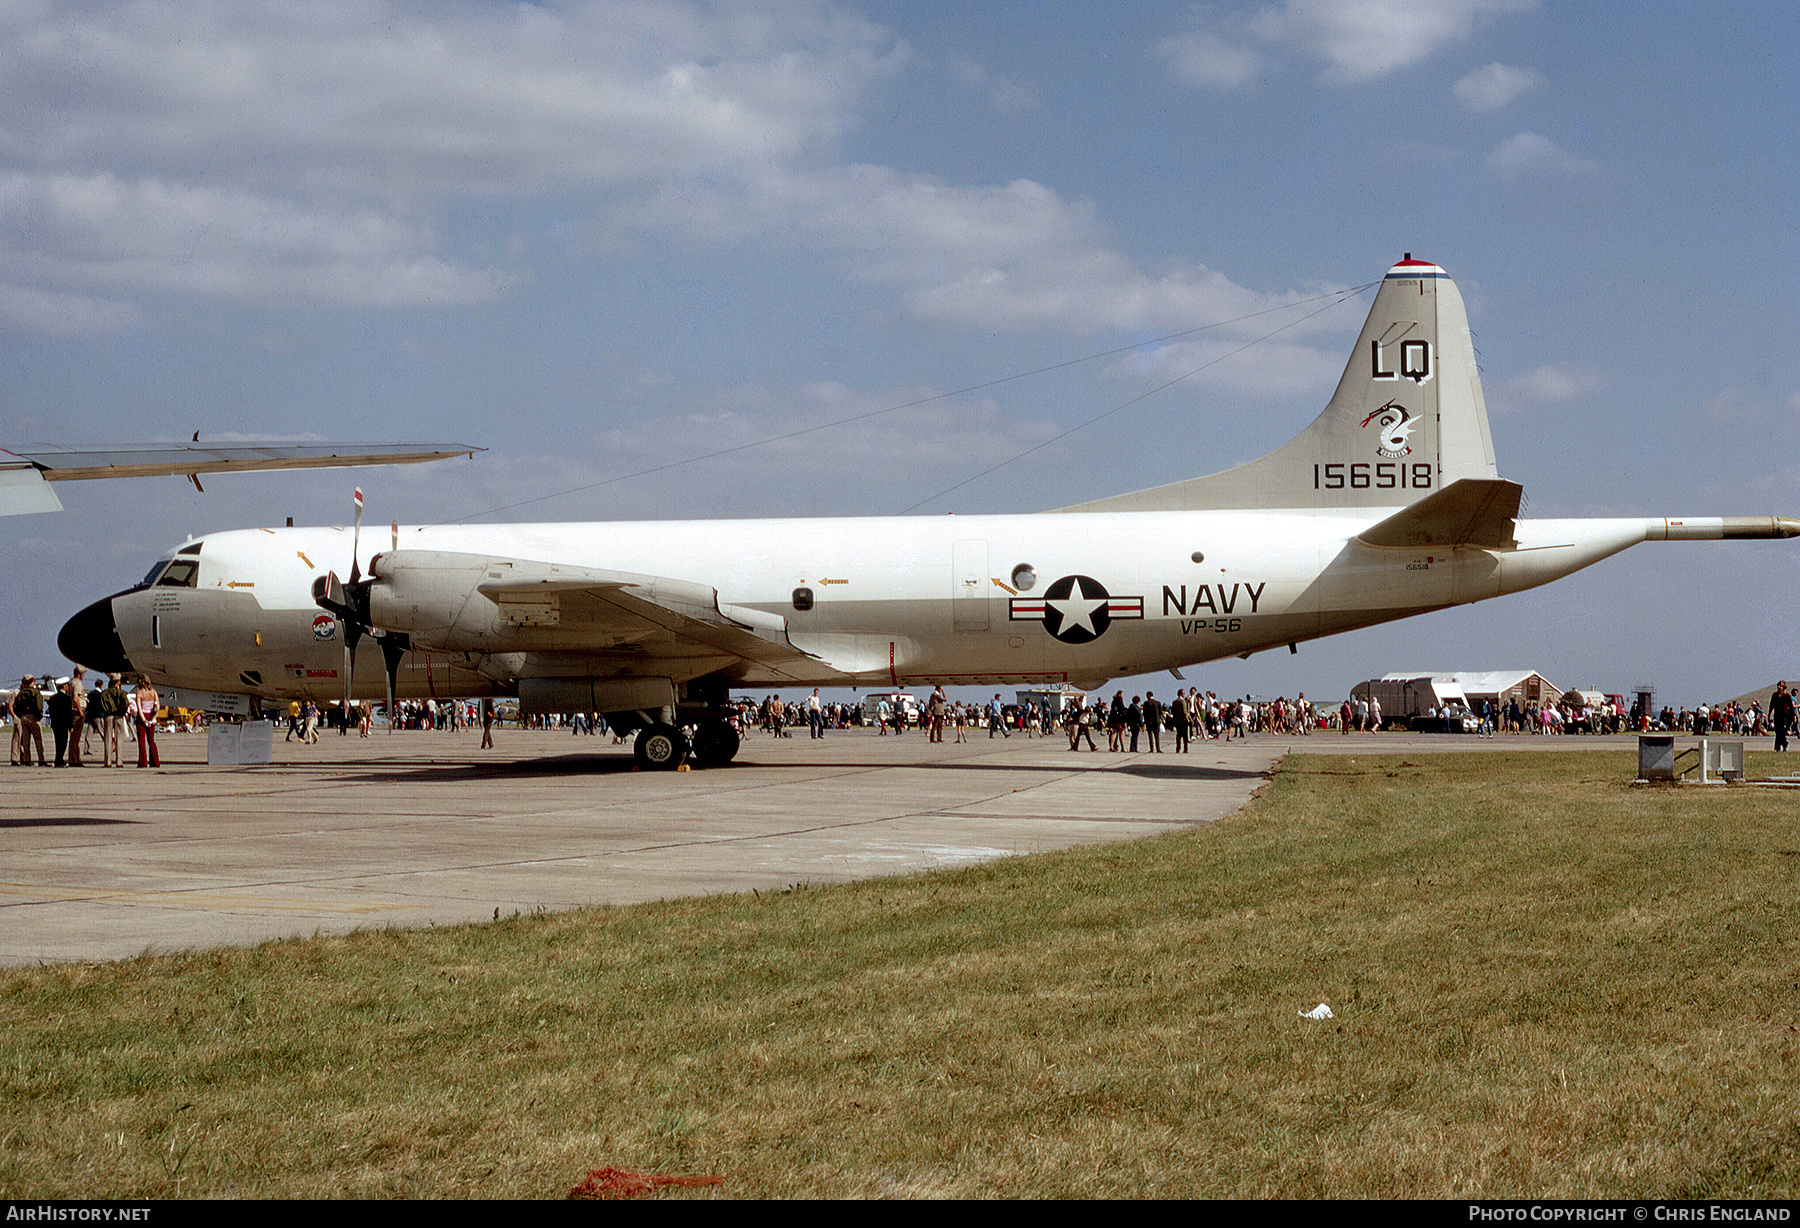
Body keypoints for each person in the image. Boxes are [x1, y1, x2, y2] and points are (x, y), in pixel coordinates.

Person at [12, 675, 47, 766]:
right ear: (32, 681)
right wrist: (39, 716)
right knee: (38, 739)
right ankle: (41, 760)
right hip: (33, 717)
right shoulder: (35, 692)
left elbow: (16, 706)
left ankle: (27, 760)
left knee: (26, 741)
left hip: (23, 717)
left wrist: (21, 715)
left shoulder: (21, 692)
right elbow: (39, 705)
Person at [133, 676, 161, 768]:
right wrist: (154, 718)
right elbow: (157, 706)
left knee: (141, 741)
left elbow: (139, 708)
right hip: (151, 715)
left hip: (143, 716)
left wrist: (143, 720)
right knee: (151, 740)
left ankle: (143, 762)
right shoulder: (153, 692)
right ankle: (155, 762)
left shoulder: (139, 693)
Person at [1772, 681, 1796, 753]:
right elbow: (1771, 705)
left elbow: (1791, 707)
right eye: (1778, 685)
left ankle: (1778, 747)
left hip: (1784, 715)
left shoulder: (1787, 696)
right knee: (1777, 731)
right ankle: (1784, 744)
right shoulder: (1775, 695)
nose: (1778, 687)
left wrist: (1793, 716)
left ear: (1783, 687)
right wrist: (1769, 714)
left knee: (1781, 731)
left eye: (1780, 685)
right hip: (1777, 715)